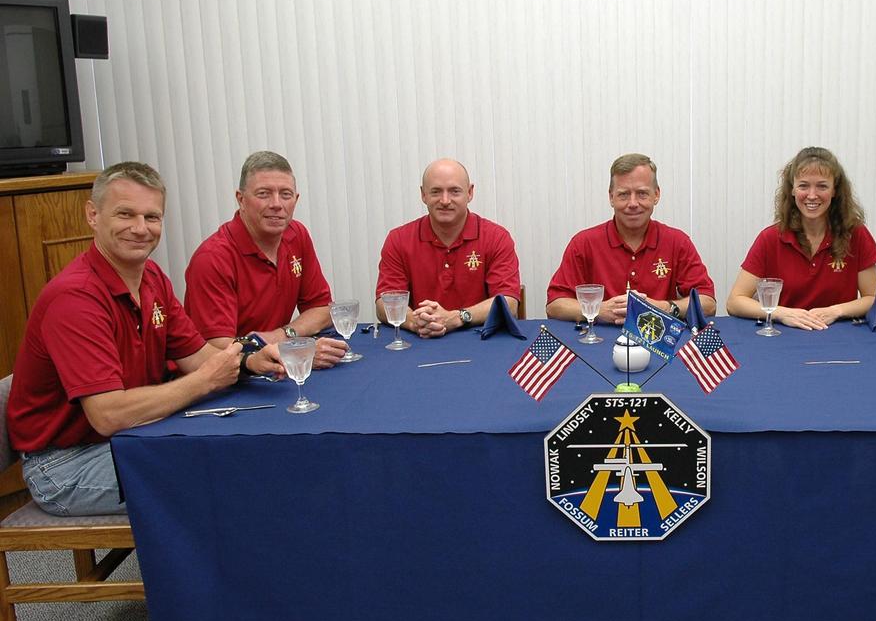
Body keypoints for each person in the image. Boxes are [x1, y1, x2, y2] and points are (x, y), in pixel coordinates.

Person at [5, 162, 284, 516]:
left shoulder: (151, 277)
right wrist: (203, 381)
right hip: (64, 467)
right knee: (226, 475)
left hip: (127, 436)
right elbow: (108, 415)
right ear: (93, 215)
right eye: (125, 214)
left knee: (246, 449)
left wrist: (248, 361)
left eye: (152, 217)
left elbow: (198, 357)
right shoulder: (74, 299)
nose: (140, 229)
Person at [184, 151, 347, 366]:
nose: (276, 204)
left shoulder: (297, 235)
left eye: (286, 194)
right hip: (232, 383)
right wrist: (293, 352)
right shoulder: (212, 258)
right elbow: (218, 349)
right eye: (263, 194)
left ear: (296, 200)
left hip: (274, 369)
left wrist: (283, 335)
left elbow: (322, 310)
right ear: (241, 199)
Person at [546, 153, 715, 324]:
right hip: (599, 342)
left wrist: (666, 308)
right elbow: (555, 305)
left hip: (658, 341)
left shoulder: (677, 241)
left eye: (642, 193)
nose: (633, 203)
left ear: (656, 195)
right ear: (611, 197)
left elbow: (708, 303)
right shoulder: (584, 243)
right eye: (624, 194)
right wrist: (597, 310)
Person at [726, 147, 876, 329]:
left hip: (840, 336)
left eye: (822, 186)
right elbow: (735, 302)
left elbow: (873, 299)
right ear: (792, 189)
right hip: (784, 335)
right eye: (803, 185)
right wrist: (782, 313)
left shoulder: (856, 234)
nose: (812, 195)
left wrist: (835, 311)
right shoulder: (770, 238)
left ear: (835, 191)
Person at [375, 159, 521, 336]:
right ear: (423, 194)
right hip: (420, 340)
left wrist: (457, 317)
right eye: (436, 191)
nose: (445, 200)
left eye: (454, 191)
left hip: (479, 340)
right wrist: (415, 322)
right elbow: (385, 304)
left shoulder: (496, 237)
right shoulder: (398, 239)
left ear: (470, 192)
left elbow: (509, 304)